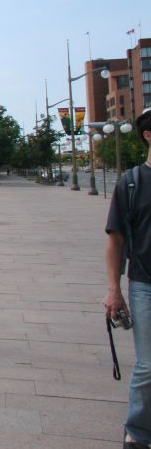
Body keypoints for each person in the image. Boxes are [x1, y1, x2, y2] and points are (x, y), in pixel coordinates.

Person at [105, 107, 151, 449]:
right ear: (148, 136)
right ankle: (137, 431)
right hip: (144, 284)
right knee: (148, 365)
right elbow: (116, 241)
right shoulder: (132, 183)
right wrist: (114, 291)